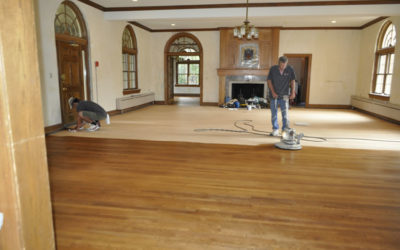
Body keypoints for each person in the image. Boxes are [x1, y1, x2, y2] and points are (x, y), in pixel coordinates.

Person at [267, 56, 296, 136]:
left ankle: (285, 130)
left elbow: (293, 80)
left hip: (285, 95)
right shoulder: (273, 69)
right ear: (279, 63)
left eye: (285, 65)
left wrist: (293, 92)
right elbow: (269, 81)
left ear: (287, 64)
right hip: (274, 95)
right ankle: (275, 129)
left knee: (285, 114)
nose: (283, 67)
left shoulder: (290, 69)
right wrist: (273, 92)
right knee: (274, 113)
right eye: (281, 65)